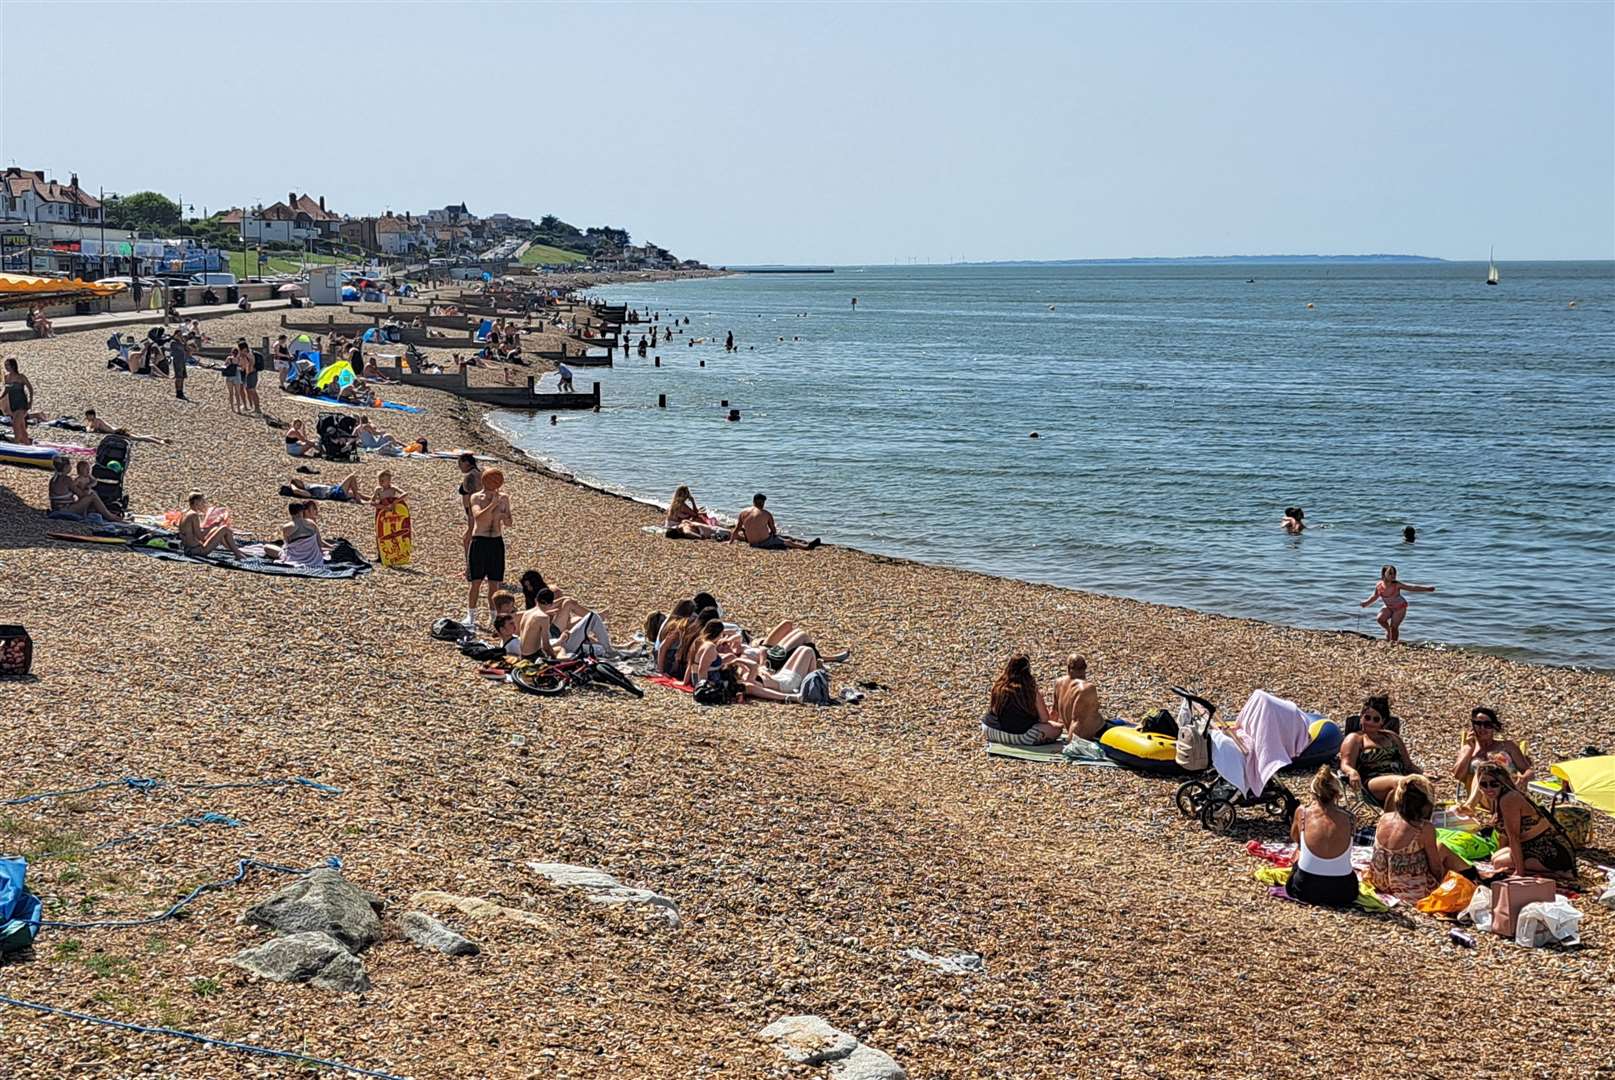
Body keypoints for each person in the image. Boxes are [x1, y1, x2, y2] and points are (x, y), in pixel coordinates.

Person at [1366, 775, 1470, 902]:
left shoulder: (1384, 818)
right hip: (1411, 891)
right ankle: (1473, 877)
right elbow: (1436, 867)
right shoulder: (1423, 828)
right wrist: (1442, 882)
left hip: (1379, 883)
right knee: (1443, 848)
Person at [1472, 762, 1577, 879]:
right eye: (1483, 784)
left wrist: (1519, 872)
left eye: (1494, 784)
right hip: (1532, 845)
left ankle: (1558, 873)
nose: (1488, 788)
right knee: (1496, 858)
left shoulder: (1509, 799)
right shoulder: (1498, 797)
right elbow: (1505, 836)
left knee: (1499, 863)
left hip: (1551, 851)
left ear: (1502, 783)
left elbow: (1513, 837)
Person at [1284, 767, 1359, 908]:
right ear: (1337, 794)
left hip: (1305, 888)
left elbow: (1295, 838)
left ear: (1313, 793)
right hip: (1344, 892)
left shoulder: (1302, 813)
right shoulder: (1350, 818)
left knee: (1300, 851)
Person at [1340, 695, 1417, 806]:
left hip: (1400, 779)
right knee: (1402, 783)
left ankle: (1396, 819)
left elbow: (1409, 765)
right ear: (1361, 717)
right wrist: (1352, 772)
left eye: (1376, 719)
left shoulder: (1392, 737)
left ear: (1383, 721)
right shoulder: (1355, 739)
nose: (1370, 722)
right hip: (1372, 782)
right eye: (1367, 717)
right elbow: (1345, 764)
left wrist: (1424, 774)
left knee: (1420, 785)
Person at [981, 654, 1064, 745]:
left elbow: (994, 709)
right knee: (1057, 728)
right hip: (1021, 736)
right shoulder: (1030, 689)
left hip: (990, 730)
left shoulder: (999, 686)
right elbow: (1044, 719)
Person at [465, 467, 511, 628]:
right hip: (480, 541)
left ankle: (493, 617)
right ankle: (471, 616)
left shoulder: (504, 498)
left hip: (496, 542)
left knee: (494, 583)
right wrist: (492, 504)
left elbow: (509, 522)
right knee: (476, 581)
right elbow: (478, 516)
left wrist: (504, 514)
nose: (494, 484)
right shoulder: (476, 497)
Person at [1453, 707, 1533, 794]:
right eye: (1478, 724)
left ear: (1494, 727)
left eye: (1487, 725)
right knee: (1483, 774)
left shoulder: (1508, 746)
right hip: (1482, 795)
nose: (1482, 728)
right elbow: (1458, 776)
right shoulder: (1467, 749)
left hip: (1509, 792)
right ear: (1473, 726)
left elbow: (1528, 770)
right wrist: (1470, 749)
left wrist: (1524, 778)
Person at [1360, 564, 1435, 645]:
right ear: (1383, 574)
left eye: (1394, 573)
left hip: (1400, 607)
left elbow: (1412, 587)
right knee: (1380, 619)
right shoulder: (1379, 585)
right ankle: (1388, 631)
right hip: (1388, 607)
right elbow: (1375, 596)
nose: (1393, 575)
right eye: (1390, 573)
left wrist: (1426, 589)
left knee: (1394, 627)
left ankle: (1393, 643)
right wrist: (1366, 603)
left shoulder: (1396, 585)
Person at [728, 493, 820, 550]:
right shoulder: (766, 514)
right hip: (764, 543)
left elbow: (737, 529)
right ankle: (807, 547)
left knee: (782, 538)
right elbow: (773, 531)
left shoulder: (743, 512)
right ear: (763, 503)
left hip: (752, 543)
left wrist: (730, 542)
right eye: (763, 503)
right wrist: (771, 533)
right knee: (788, 541)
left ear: (753, 502)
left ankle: (805, 543)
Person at [47, 456, 117, 519]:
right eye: (70, 465)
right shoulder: (67, 479)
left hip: (56, 508)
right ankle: (109, 516)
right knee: (92, 495)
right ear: (66, 468)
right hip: (65, 509)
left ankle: (105, 514)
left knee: (90, 496)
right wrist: (88, 487)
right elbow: (81, 494)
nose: (71, 467)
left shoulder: (53, 480)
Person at [1053, 654, 1104, 740]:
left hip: (1076, 733)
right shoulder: (1086, 689)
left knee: (1122, 722)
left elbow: (1054, 713)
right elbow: (1076, 721)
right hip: (1096, 734)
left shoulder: (1059, 683)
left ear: (1068, 668)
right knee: (1126, 725)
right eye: (1082, 668)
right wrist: (1071, 744)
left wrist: (1052, 733)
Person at [177, 491, 243, 557]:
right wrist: (212, 525)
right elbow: (201, 537)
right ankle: (238, 554)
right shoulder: (194, 515)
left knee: (216, 530)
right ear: (196, 502)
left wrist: (213, 528)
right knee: (224, 529)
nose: (203, 504)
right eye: (202, 502)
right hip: (197, 550)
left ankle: (236, 551)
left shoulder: (186, 513)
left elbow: (193, 534)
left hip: (188, 549)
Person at [273, 501, 327, 568]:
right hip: (315, 558)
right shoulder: (312, 524)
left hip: (295, 557)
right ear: (301, 511)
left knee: (266, 547)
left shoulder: (287, 527)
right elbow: (320, 543)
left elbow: (287, 544)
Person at [84, 409, 166, 444]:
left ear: (92, 415)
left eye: (88, 416)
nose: (87, 417)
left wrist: (87, 427)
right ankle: (161, 439)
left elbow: (92, 430)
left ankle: (159, 442)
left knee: (138, 438)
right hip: (118, 430)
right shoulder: (97, 420)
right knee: (139, 436)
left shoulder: (96, 421)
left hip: (117, 432)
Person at [457, 452, 483, 552]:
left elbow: (473, 494)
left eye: (460, 464)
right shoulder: (479, 473)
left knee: (468, 537)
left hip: (472, 509)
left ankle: (469, 564)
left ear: (466, 463)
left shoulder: (470, 476)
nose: (459, 467)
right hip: (477, 507)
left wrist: (471, 513)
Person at [4, 358, 34, 444]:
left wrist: (30, 402)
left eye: (8, 365)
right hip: (13, 404)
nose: (6, 367)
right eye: (5, 365)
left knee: (15, 424)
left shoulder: (21, 377)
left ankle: (16, 443)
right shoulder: (6, 377)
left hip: (22, 404)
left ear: (13, 366)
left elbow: (30, 389)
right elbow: (6, 390)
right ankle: (27, 443)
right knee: (21, 426)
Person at [283, 472, 362, 503]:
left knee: (355, 493)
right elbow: (297, 491)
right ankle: (359, 500)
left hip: (334, 490)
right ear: (298, 486)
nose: (300, 480)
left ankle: (371, 499)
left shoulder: (307, 486)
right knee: (352, 477)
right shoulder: (307, 491)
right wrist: (292, 486)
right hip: (334, 494)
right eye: (298, 481)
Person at [222, 339, 249, 415]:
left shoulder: (229, 358)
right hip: (237, 376)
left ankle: (232, 408)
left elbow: (224, 366)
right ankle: (238, 410)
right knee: (237, 393)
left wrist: (230, 366)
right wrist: (237, 367)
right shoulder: (240, 359)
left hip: (229, 376)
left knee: (231, 393)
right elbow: (243, 368)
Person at [242, 341, 264, 415]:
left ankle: (257, 409)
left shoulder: (250, 355)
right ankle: (255, 408)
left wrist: (247, 373)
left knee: (253, 391)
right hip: (252, 374)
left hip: (252, 374)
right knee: (251, 390)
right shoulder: (250, 353)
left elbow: (251, 365)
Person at [167, 334, 190, 401]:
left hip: (182, 361)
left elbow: (187, 349)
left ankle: (181, 391)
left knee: (182, 377)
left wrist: (184, 342)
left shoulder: (181, 343)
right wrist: (182, 342)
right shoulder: (173, 343)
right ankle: (178, 392)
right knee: (178, 377)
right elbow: (181, 348)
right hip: (177, 361)